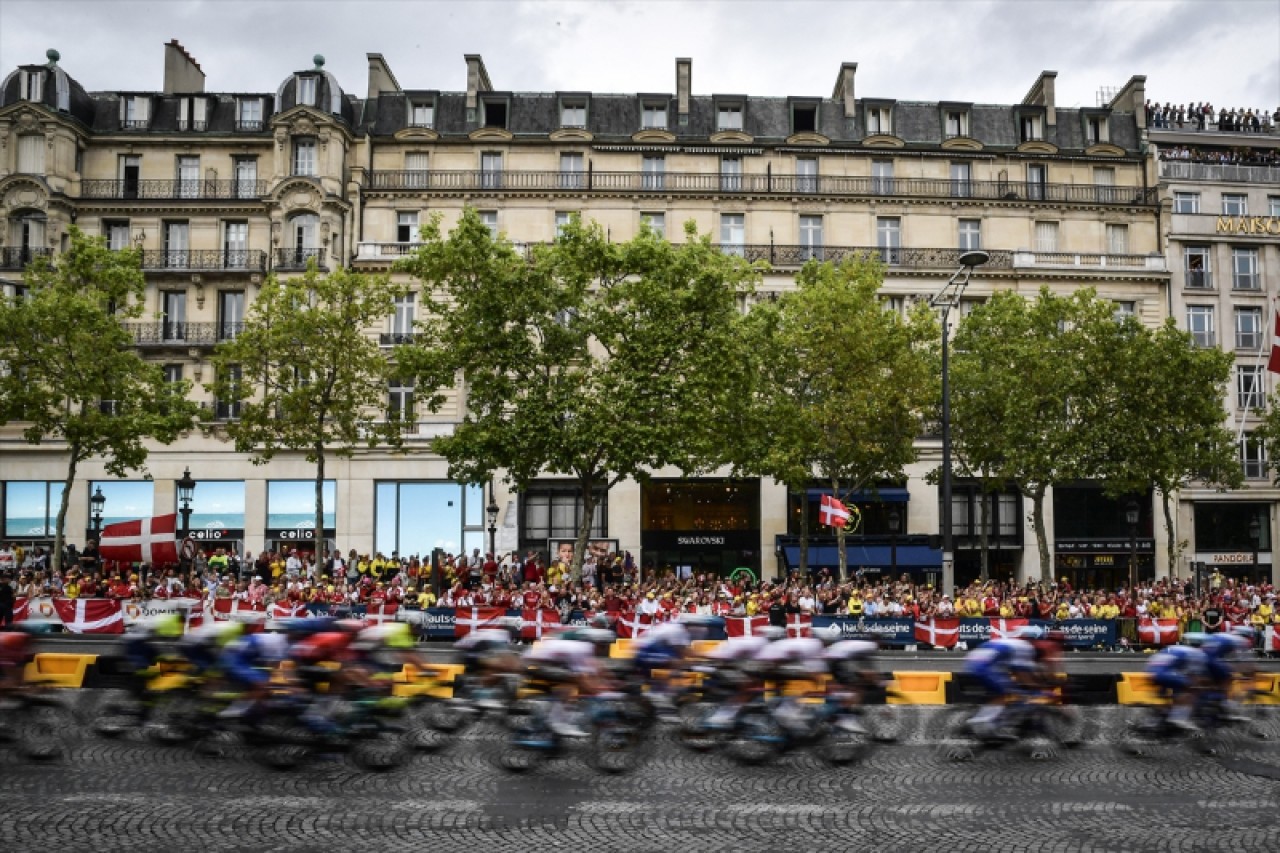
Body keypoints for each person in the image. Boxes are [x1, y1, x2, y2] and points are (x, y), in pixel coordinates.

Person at [961, 629, 1038, 738]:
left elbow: (1014, 671)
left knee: (1006, 688)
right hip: (983, 666)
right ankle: (983, 724)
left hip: (974, 660)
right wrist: (1035, 687)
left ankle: (987, 716)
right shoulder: (1025, 647)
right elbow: (1022, 675)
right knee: (1005, 693)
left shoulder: (1014, 643)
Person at [1146, 634, 1209, 731]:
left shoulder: (1176, 648)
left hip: (1150, 671)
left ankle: (1157, 717)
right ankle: (1179, 718)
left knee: (1172, 695)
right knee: (1192, 689)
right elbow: (1195, 678)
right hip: (1164, 673)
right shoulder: (1197, 653)